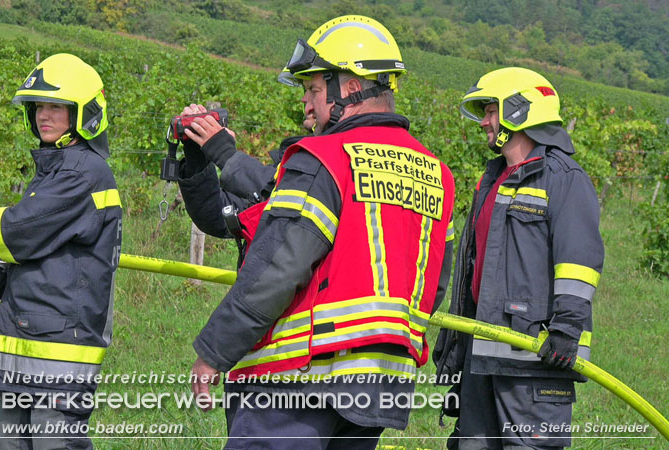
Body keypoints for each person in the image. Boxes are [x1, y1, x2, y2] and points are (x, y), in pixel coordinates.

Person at [189, 15, 455, 448]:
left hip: (296, 379)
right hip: (380, 386)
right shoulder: (436, 175)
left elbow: (277, 269)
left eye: (313, 89)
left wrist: (215, 351)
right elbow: (435, 282)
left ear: (350, 87)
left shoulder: (326, 156)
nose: (306, 104)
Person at [0, 53, 122, 449]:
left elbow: (15, 233)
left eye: (56, 107)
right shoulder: (55, 170)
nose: (44, 115)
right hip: (23, 348)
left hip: (58, 358)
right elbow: (41, 267)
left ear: (85, 113)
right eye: (39, 106)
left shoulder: (83, 173)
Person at [432, 67, 604, 449]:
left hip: (535, 360)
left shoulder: (562, 178)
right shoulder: (493, 178)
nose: (484, 122)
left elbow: (579, 262)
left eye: (491, 111)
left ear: (519, 111)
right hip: (483, 353)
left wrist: (566, 330)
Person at [176, 103, 314, 239]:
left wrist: (224, 152)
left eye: (315, 91)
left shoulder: (323, 165)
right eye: (306, 91)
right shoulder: (296, 158)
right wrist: (196, 155)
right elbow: (214, 217)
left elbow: (285, 200)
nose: (305, 100)